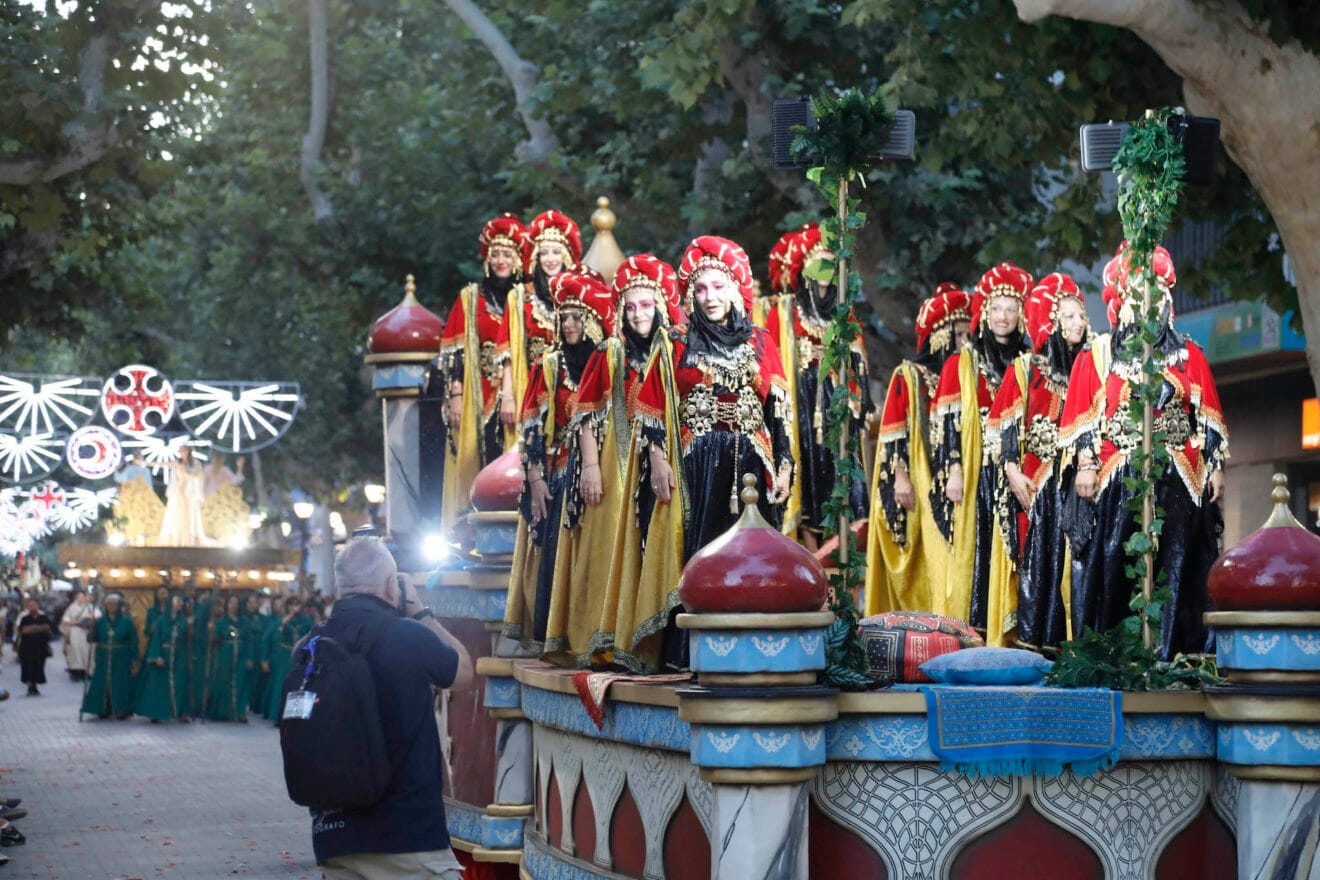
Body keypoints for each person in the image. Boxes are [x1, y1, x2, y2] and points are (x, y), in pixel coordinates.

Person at [636, 235, 795, 668]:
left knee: (754, 556)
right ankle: (694, 655)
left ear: (737, 290)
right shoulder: (675, 340)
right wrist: (657, 460)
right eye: (701, 289)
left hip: (752, 462)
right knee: (700, 551)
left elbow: (778, 410)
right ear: (690, 293)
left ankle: (755, 651)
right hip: (697, 465)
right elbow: (650, 405)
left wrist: (784, 466)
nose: (710, 297)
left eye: (719, 287)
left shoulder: (762, 342)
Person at [1060, 246, 1227, 658]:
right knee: (1116, 558)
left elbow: (1207, 417)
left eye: (1155, 295)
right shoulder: (1099, 355)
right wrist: (1086, 464)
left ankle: (1175, 653)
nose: (1147, 305)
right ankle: (1117, 653)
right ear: (1122, 305)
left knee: (1177, 563)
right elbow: (1084, 416)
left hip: (1181, 474)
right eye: (1137, 296)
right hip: (1119, 473)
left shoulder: (1190, 355)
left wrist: (1216, 466)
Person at [308, 537, 472, 880]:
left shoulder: (310, 648)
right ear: (390, 585)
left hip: (335, 841)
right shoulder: (408, 636)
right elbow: (464, 672)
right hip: (409, 844)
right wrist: (419, 609)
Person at [576, 255, 687, 671]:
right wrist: (590, 468)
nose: (640, 314)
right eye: (631, 306)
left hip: (672, 466)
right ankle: (629, 638)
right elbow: (585, 413)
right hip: (621, 471)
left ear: (660, 304)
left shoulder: (676, 347)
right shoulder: (609, 353)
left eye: (646, 304)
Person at [502, 268, 610, 654]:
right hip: (560, 475)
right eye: (563, 317)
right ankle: (557, 639)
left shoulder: (610, 362)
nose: (568, 324)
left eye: (576, 316)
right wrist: (534, 483)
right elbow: (530, 429)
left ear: (594, 320)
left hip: (606, 477)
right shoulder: (548, 366)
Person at [986, 273, 1090, 650]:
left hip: (1079, 481)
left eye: (1081, 316)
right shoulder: (1027, 368)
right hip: (1037, 481)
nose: (1079, 323)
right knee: (1038, 564)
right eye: (1069, 317)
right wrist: (1012, 470)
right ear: (1051, 323)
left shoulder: (1090, 367)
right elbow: (1004, 425)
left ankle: (1073, 646)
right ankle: (1035, 644)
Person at [930, 262, 1033, 641]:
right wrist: (954, 470)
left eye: (1010, 308)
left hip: (1021, 469)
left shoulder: (1030, 363)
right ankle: (976, 633)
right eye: (995, 308)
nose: (1003, 316)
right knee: (980, 551)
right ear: (984, 314)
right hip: (979, 472)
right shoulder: (962, 363)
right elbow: (948, 427)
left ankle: (1017, 632)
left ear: (1021, 315)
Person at [865, 283, 971, 617]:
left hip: (948, 479)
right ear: (939, 335)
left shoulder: (965, 374)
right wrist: (901, 479)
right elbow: (894, 434)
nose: (965, 343)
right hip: (915, 481)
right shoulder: (908, 375)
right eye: (959, 335)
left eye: (969, 335)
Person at [766, 223, 869, 550]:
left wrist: (859, 401)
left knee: (841, 471)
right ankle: (808, 550)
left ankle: (841, 551)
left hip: (838, 400)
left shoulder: (844, 312)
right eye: (817, 262)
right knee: (808, 468)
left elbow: (859, 364)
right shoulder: (786, 310)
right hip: (803, 398)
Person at [440, 214, 527, 533]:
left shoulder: (526, 299)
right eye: (496, 254)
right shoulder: (471, 298)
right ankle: (472, 532)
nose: (501, 260)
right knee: (480, 456)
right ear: (487, 259)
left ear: (518, 259)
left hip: (519, 391)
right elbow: (455, 353)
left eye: (508, 254)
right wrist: (457, 396)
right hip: (480, 396)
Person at [496, 209, 580, 432]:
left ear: (566, 256)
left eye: (556, 252)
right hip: (531, 390)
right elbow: (509, 353)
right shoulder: (520, 297)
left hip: (572, 389)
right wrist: (508, 397)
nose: (550, 259)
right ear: (536, 258)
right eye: (544, 253)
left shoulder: (579, 295)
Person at [132, 593, 190, 722]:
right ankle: (157, 712)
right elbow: (156, 639)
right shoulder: (161, 620)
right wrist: (156, 656)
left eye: (181, 601)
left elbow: (188, 639)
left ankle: (180, 712)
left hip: (179, 655)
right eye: (177, 600)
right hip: (164, 653)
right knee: (160, 685)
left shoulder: (183, 620)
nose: (180, 603)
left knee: (180, 683)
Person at [81, 595, 138, 719]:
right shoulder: (100, 621)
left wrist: (134, 658)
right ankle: (102, 708)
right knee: (102, 682)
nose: (111, 606)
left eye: (114, 604)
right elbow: (91, 639)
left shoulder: (127, 621)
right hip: (103, 656)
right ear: (105, 606)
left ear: (118, 606)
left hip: (121, 657)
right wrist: (91, 630)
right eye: (109, 604)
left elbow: (133, 640)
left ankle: (121, 709)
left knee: (120, 683)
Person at [264, 596, 315, 722]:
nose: (294, 607)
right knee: (281, 685)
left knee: (298, 685)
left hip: (300, 656)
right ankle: (278, 715)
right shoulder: (281, 620)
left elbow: (312, 635)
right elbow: (273, 636)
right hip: (284, 655)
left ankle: (294, 716)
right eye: (291, 605)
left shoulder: (306, 621)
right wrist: (285, 622)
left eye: (296, 604)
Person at [158, 445, 210, 546]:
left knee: (189, 516)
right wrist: (144, 462)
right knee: (178, 516)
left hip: (190, 494)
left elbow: (195, 475)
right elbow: (163, 464)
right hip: (179, 493)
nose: (180, 452)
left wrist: (185, 470)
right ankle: (178, 540)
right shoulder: (178, 463)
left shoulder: (196, 464)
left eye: (182, 450)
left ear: (187, 451)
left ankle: (188, 541)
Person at [206, 594, 247, 722]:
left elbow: (247, 638)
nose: (233, 606)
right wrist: (212, 631)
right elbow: (216, 638)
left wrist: (249, 657)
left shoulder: (244, 621)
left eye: (236, 603)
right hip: (225, 656)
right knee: (224, 683)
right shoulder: (221, 622)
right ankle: (223, 712)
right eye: (231, 603)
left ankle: (239, 712)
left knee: (241, 683)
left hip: (241, 655)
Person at [15, 596, 53, 696]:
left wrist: (33, 628)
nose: (32, 607)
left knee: (38, 666)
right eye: (30, 605)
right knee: (28, 667)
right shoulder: (25, 618)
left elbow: (48, 627)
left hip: (41, 648)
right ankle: (30, 686)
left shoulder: (43, 617)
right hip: (27, 648)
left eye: (34, 605)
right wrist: (39, 628)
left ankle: (35, 685)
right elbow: (23, 630)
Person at [59, 589, 99, 682]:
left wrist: (89, 618)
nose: (80, 598)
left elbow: (97, 616)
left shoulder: (90, 607)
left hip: (86, 631)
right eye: (78, 597)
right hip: (75, 631)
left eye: (82, 596)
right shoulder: (72, 607)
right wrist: (75, 622)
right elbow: (65, 618)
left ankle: (88, 671)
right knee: (75, 651)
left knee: (88, 651)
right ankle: (76, 672)